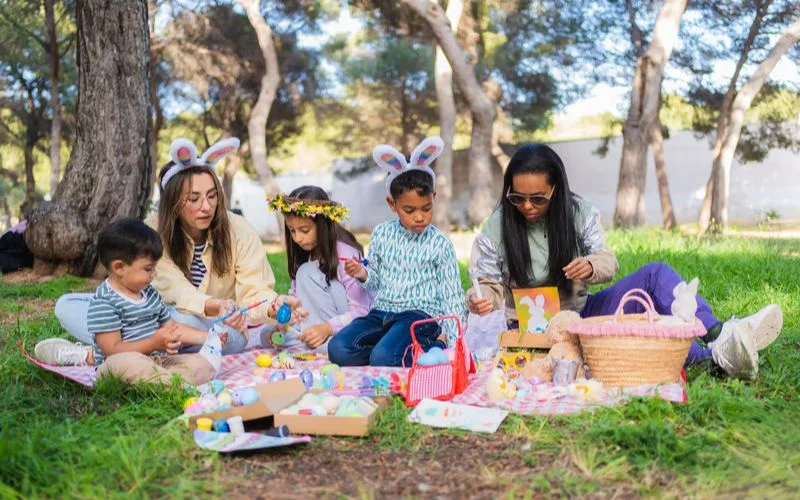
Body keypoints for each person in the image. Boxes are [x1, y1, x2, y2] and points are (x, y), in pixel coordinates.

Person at [467, 143, 783, 380]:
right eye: (517, 197)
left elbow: (608, 261)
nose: (526, 206)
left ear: (556, 190)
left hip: (581, 315)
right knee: (632, 336)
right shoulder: (497, 226)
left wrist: (590, 266)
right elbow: (487, 283)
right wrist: (481, 300)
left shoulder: (578, 213)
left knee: (655, 274)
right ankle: (713, 360)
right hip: (532, 331)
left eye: (538, 198)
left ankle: (718, 333)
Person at [51, 137, 307, 354]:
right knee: (67, 305)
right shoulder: (151, 231)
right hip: (149, 316)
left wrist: (273, 306)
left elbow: (255, 294)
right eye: (193, 198)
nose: (206, 206)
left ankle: (115, 348)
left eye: (211, 195)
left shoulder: (240, 231)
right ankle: (141, 345)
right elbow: (174, 290)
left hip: (209, 325)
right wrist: (210, 304)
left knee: (230, 338)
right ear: (173, 202)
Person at [328, 137, 467, 367]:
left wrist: (449, 339)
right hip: (382, 313)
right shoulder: (381, 234)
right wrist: (362, 273)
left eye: (426, 208)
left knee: (383, 357)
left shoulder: (440, 244)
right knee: (338, 349)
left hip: (418, 316)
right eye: (409, 210)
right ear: (392, 204)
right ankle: (393, 349)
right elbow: (376, 280)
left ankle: (426, 347)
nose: (419, 216)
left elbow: (452, 295)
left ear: (433, 198)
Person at [34, 219, 215, 385]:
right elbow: (112, 350)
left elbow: (173, 329)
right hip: (120, 360)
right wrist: (154, 343)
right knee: (126, 367)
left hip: (156, 360)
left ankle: (166, 383)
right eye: (148, 269)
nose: (154, 275)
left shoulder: (150, 294)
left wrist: (209, 337)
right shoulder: (105, 302)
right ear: (119, 267)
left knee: (202, 365)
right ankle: (170, 383)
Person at [264, 186, 374, 351]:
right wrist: (284, 323)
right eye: (292, 231)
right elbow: (297, 298)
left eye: (304, 230)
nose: (297, 238)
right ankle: (314, 339)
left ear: (323, 225)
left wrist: (326, 328)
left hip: (347, 324)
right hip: (318, 323)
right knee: (267, 335)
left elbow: (362, 310)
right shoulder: (305, 253)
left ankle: (325, 340)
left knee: (307, 272)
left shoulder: (345, 254)